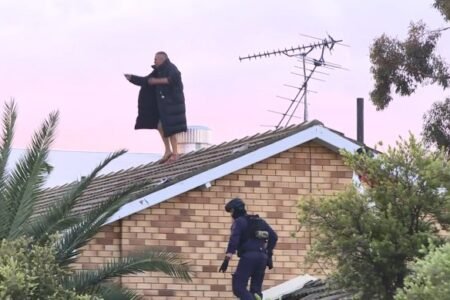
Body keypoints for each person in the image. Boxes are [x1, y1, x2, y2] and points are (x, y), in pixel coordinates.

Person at [124, 51, 187, 163]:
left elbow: (173, 79)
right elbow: (146, 81)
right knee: (160, 126)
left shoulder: (172, 68)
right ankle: (168, 151)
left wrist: (156, 81)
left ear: (162, 59)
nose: (154, 61)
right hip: (164, 105)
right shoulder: (157, 71)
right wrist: (132, 78)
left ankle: (176, 153)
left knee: (170, 128)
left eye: (156, 59)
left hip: (173, 104)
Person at [219, 197, 278, 300]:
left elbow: (234, 241)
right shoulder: (260, 221)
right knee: (255, 290)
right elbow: (274, 236)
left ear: (235, 210)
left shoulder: (239, 222)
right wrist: (269, 254)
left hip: (249, 257)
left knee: (238, 287)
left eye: (231, 211)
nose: (231, 215)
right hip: (262, 258)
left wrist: (226, 260)